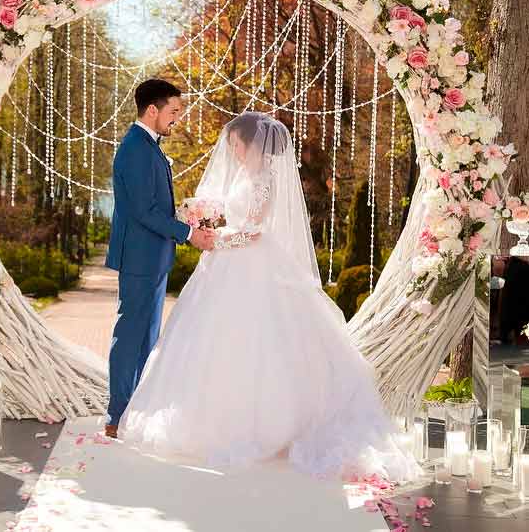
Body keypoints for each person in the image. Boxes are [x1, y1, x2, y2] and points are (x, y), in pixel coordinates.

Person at [118, 112, 418, 481]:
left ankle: (272, 425)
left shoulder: (266, 178)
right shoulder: (245, 175)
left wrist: (221, 240)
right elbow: (234, 217)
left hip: (250, 259)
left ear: (251, 144)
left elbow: (256, 230)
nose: (234, 153)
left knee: (261, 340)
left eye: (237, 146)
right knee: (217, 341)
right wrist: (207, 220)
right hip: (229, 262)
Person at [104, 79, 215, 439]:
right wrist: (188, 234)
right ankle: (117, 414)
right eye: (174, 112)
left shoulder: (149, 146)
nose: (176, 119)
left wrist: (186, 217)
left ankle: (131, 410)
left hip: (152, 257)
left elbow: (156, 206)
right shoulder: (136, 148)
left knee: (145, 338)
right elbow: (142, 210)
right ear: (152, 110)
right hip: (139, 257)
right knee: (131, 335)